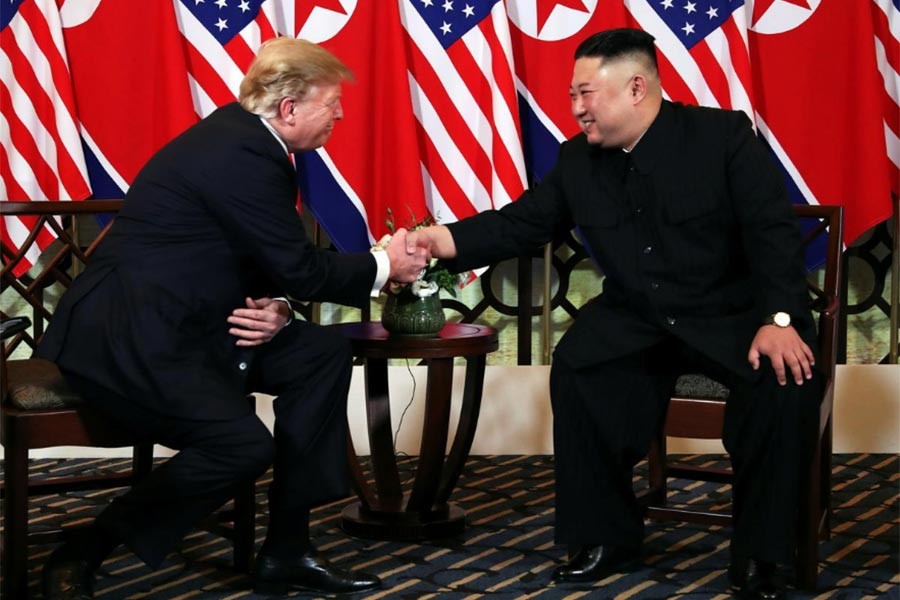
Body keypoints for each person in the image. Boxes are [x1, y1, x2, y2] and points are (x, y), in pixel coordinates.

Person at [409, 28, 822, 600]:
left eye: (586, 94)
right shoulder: (577, 159)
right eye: (572, 96)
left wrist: (779, 321)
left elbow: (773, 234)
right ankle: (605, 538)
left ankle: (765, 557)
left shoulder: (722, 136)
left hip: (734, 314)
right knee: (579, 365)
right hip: (638, 317)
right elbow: (520, 223)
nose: (576, 109)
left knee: (784, 382)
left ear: (636, 87)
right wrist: (439, 241)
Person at [36, 38, 430, 599]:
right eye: (332, 103)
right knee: (242, 446)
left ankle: (288, 549)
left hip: (197, 321)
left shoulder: (249, 143)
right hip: (132, 337)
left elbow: (252, 257)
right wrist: (384, 264)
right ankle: (88, 547)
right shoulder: (240, 153)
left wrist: (278, 308)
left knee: (318, 354)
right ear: (289, 108)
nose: (340, 114)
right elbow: (297, 266)